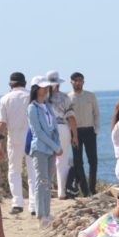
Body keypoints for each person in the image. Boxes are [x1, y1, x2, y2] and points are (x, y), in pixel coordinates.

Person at [0, 72, 35, 215]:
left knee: (14, 171)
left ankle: (17, 203)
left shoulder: (4, 99)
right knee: (33, 172)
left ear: (10, 85)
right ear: (25, 83)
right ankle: (33, 205)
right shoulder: (32, 96)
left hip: (14, 138)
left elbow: (2, 124)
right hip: (32, 138)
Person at [27, 77, 62, 227]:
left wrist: (57, 146)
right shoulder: (32, 108)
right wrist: (55, 147)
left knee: (48, 182)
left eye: (46, 87)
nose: (45, 89)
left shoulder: (47, 106)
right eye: (42, 87)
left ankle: (47, 212)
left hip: (51, 149)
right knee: (42, 181)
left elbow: (54, 128)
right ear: (35, 89)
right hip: (40, 149)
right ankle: (41, 215)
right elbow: (39, 132)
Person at [46, 71, 78, 199]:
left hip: (47, 129)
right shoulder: (65, 98)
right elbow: (71, 118)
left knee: (48, 160)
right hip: (63, 128)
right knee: (63, 160)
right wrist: (75, 135)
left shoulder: (42, 98)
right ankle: (62, 192)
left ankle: (46, 190)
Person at [68, 72, 99, 197]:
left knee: (93, 160)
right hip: (75, 132)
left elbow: (96, 113)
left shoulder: (90, 96)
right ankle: (85, 191)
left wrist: (96, 130)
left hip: (89, 131)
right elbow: (67, 117)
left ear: (83, 82)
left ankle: (92, 188)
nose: (78, 82)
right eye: (75, 80)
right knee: (78, 161)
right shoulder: (68, 98)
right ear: (71, 82)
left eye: (80, 80)